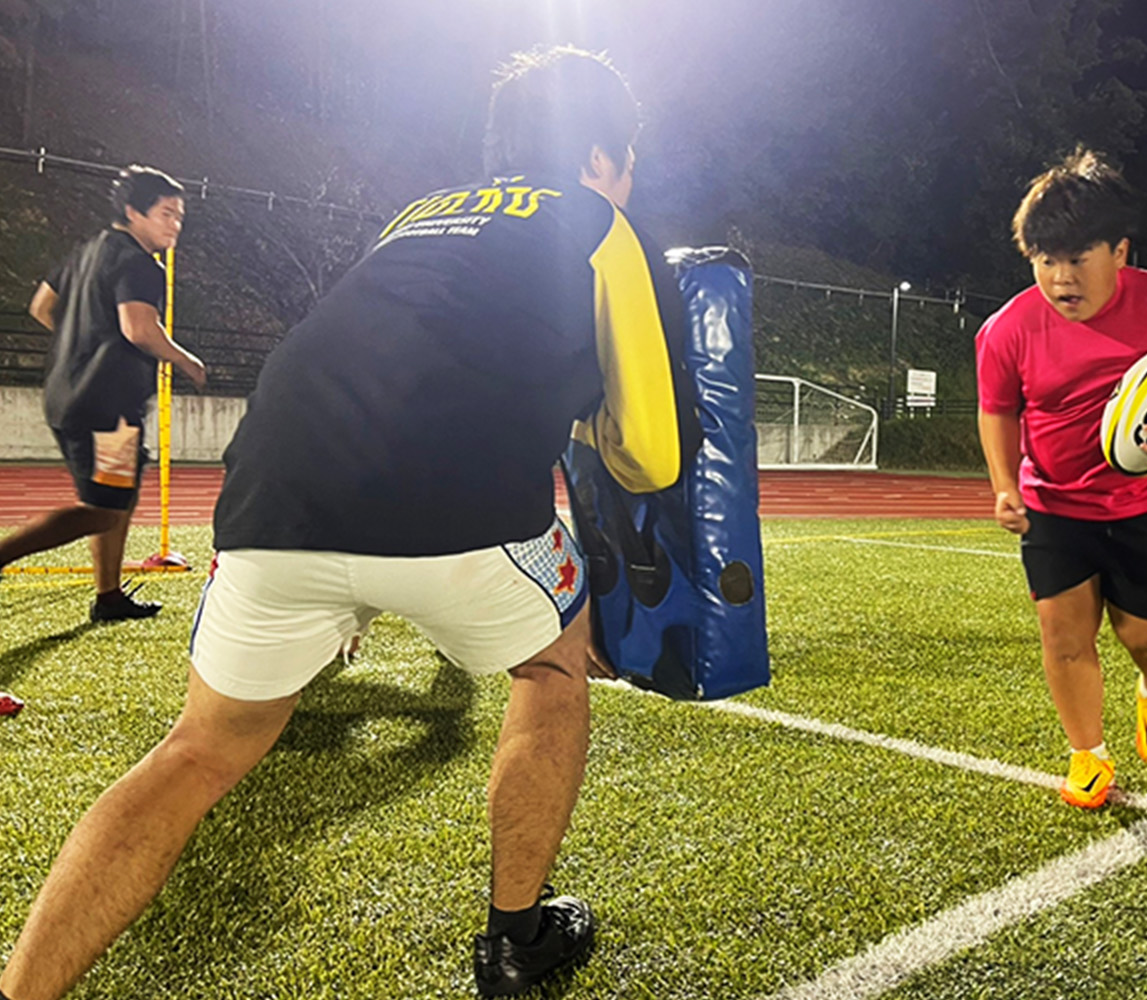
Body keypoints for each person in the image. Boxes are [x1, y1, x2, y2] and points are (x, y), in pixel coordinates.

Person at [0, 46, 697, 1000]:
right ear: (597, 157)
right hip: (460, 513)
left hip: (269, 498)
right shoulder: (599, 221)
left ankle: (21, 989)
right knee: (551, 664)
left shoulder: (416, 217)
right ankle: (515, 940)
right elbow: (653, 454)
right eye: (625, 164)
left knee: (196, 752)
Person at [975, 150, 1147, 810]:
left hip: (1144, 503)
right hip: (1053, 506)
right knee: (1064, 638)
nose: (1061, 279)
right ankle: (1087, 754)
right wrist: (1005, 484)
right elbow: (999, 408)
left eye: (1078, 259)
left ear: (1119, 250)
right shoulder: (1007, 329)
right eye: (1045, 261)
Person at [0, 166, 206, 621]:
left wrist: (81, 344)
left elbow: (41, 307)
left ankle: (108, 596)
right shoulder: (139, 264)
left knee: (118, 498)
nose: (176, 224)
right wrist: (186, 360)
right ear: (133, 212)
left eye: (180, 216)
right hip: (107, 406)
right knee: (101, 511)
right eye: (167, 213)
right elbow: (139, 329)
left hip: (72, 395)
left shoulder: (85, 253)